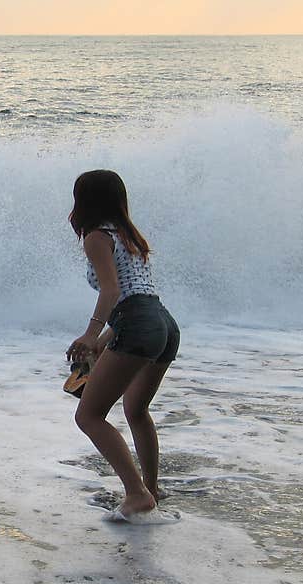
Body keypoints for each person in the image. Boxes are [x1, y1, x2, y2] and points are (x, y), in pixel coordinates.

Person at [66, 169, 180, 521]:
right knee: (135, 410)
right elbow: (137, 297)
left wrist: (89, 334)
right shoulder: (130, 236)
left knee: (88, 415)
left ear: (84, 201)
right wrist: (103, 341)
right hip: (163, 324)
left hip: (137, 324)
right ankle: (150, 488)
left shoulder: (97, 237)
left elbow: (113, 292)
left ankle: (137, 495)